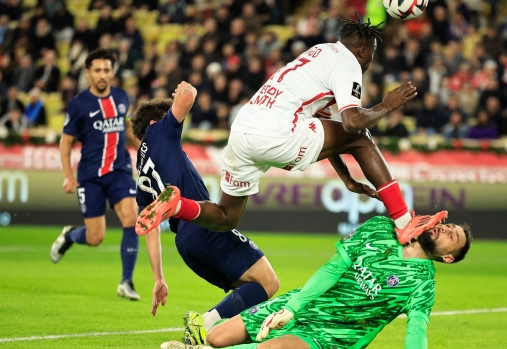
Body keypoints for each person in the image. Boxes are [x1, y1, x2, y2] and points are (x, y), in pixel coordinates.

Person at [136, 18, 446, 246]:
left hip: (243, 128)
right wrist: (387, 105)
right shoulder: (349, 64)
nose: (370, 62)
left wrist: (348, 179)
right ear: (363, 50)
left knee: (227, 216)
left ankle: (176, 206)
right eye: (372, 55)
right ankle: (404, 222)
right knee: (361, 139)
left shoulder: (321, 52)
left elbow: (329, 126)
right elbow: (351, 125)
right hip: (277, 129)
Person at [160, 214, 472, 349]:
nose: (445, 230)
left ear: (448, 258)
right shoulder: (381, 227)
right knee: (216, 338)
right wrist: (292, 308)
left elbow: (416, 329)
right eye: (448, 226)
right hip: (301, 305)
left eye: (453, 236)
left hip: (330, 337)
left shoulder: (423, 284)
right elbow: (333, 269)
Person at [130, 84, 280, 345]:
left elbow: (149, 227)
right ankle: (204, 323)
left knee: (248, 289)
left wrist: (159, 278)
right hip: (202, 225)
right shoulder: (159, 131)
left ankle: (221, 336)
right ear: (154, 122)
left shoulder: (141, 172)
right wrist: (181, 90)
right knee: (269, 282)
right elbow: (188, 95)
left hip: (186, 245)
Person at [50, 48, 142, 301]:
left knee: (131, 217)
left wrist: (147, 154)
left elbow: (130, 131)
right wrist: (69, 177)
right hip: (90, 176)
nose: (103, 75)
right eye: (98, 70)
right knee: (95, 237)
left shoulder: (122, 97)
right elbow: (66, 144)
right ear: (88, 73)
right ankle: (70, 235)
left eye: (107, 70)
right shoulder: (79, 104)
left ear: (113, 72)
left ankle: (127, 281)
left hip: (120, 171)